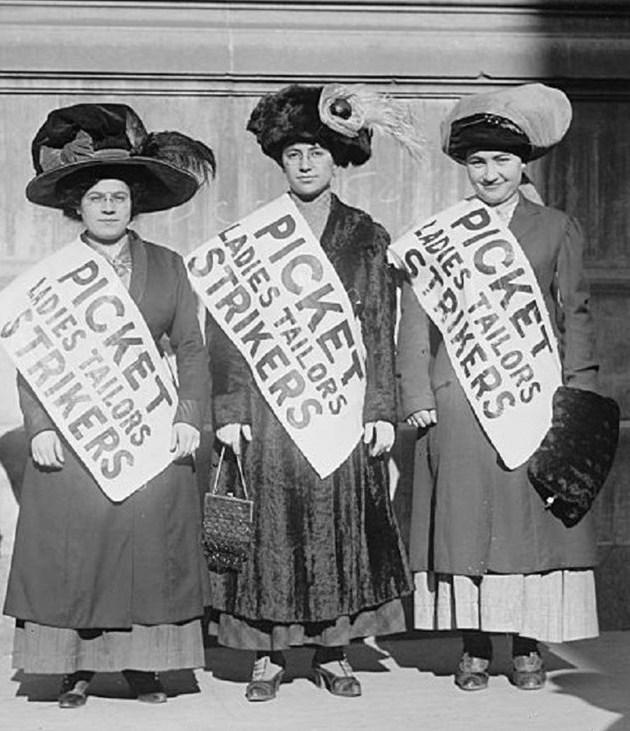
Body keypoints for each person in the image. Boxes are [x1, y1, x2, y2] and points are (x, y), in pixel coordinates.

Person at [3, 103, 215, 709]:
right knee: (80, 544)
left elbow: (192, 350)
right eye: (95, 197)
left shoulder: (168, 267)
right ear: (77, 207)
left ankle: (146, 666)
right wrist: (39, 426)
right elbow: (32, 356)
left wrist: (187, 416)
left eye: (118, 196)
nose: (107, 207)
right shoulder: (54, 275)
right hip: (76, 427)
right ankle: (74, 668)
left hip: (148, 425)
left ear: (134, 203)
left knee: (149, 545)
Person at [208, 84, 411, 702]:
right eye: (294, 152)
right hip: (270, 412)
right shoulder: (251, 237)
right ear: (280, 160)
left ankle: (332, 651)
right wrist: (230, 411)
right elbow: (226, 333)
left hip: (341, 408)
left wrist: (381, 409)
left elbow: (380, 324)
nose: (304, 163)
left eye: (317, 152)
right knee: (272, 533)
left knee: (335, 530)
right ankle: (270, 655)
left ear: (337, 159)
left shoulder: (366, 235)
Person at [398, 83, 600, 691]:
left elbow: (576, 315)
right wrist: (417, 395)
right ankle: (476, 647)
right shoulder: (439, 235)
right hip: (459, 399)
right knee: (467, 524)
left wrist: (578, 394)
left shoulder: (557, 228)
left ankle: (529, 646)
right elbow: (416, 321)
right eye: (479, 161)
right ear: (466, 167)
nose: (490, 172)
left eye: (502, 160)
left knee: (527, 525)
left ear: (522, 165)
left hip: (534, 397)